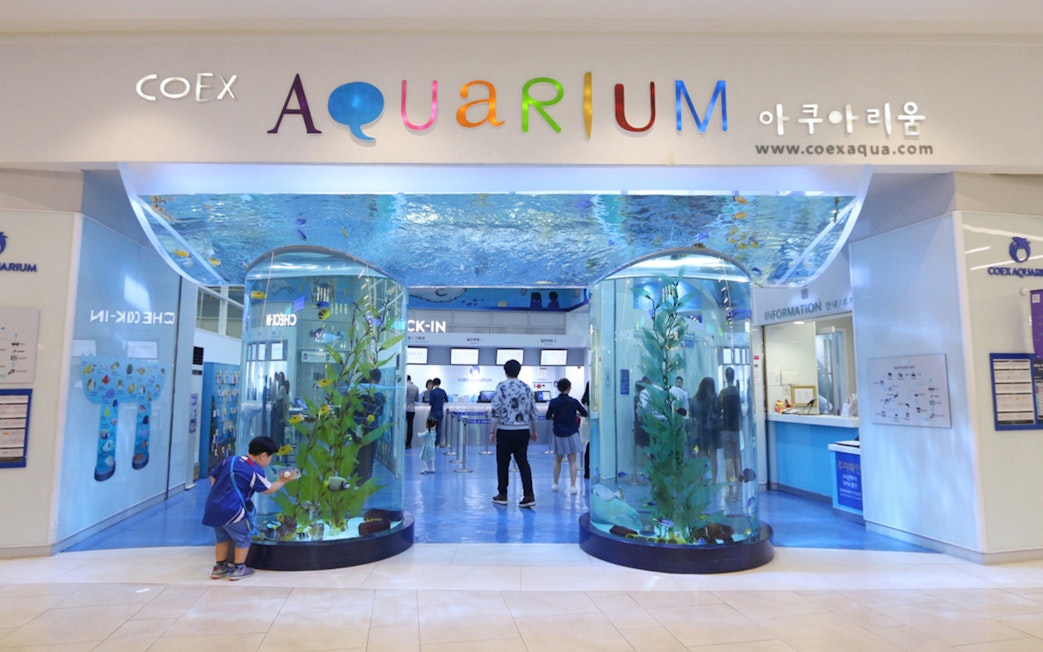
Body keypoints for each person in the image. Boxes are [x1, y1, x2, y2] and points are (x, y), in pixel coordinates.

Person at [202, 436, 298, 581]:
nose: (270, 460)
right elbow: (268, 489)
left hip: (214, 507)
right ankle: (239, 568)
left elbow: (213, 476)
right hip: (234, 510)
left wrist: (221, 493)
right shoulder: (254, 471)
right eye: (270, 457)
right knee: (243, 537)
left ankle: (220, 568)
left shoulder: (231, 460)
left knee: (222, 537)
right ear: (263, 455)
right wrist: (283, 480)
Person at [489, 359, 539, 507]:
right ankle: (529, 495)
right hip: (523, 431)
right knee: (523, 463)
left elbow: (496, 410)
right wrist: (534, 430)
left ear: (505, 371)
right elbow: (533, 411)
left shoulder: (501, 387)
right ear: (519, 371)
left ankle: (502, 494)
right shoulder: (526, 388)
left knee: (502, 463)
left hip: (505, 430)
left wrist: (492, 431)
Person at [546, 377, 588, 494]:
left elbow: (548, 416)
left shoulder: (554, 402)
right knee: (572, 461)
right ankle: (573, 486)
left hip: (558, 433)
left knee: (557, 459)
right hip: (572, 432)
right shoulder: (574, 402)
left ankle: (555, 484)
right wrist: (574, 415)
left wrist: (556, 418)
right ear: (569, 388)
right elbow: (584, 413)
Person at [691, 377, 722, 482]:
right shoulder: (714, 399)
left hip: (699, 431)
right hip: (712, 431)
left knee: (701, 456)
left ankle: (700, 480)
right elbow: (719, 412)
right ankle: (714, 481)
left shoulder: (695, 399)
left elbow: (692, 414)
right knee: (713, 457)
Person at [719, 367, 743, 497]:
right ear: (733, 377)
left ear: (725, 377)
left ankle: (730, 487)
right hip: (736, 428)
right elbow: (739, 411)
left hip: (725, 428)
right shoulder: (737, 392)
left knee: (728, 458)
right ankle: (739, 486)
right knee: (737, 457)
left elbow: (718, 409)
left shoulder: (723, 393)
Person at [427, 378, 449, 447]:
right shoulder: (443, 391)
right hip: (440, 412)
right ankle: (437, 443)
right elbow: (446, 400)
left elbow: (431, 402)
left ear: (433, 384)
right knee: (439, 428)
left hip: (433, 412)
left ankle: (431, 442)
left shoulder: (432, 392)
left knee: (432, 428)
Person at [405, 375, 419, 448]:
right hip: (412, 409)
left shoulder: (405, 387)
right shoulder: (416, 387)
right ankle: (409, 443)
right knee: (410, 426)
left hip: (405, 409)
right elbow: (417, 399)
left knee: (402, 426)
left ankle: (401, 441)